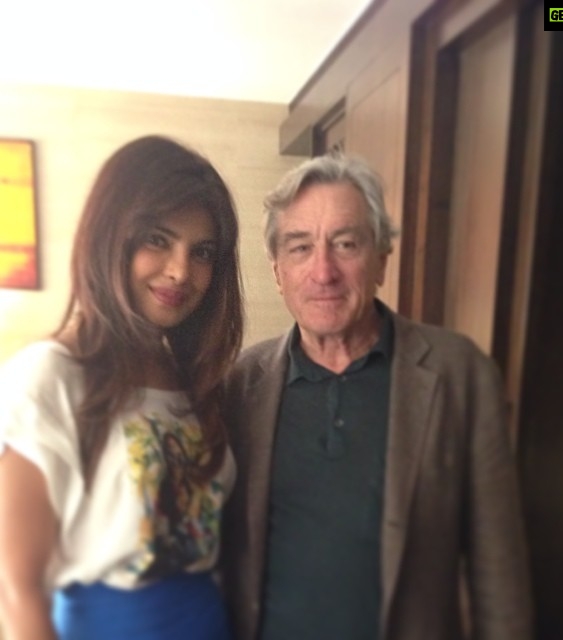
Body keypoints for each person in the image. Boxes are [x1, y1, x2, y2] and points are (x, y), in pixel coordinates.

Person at [222, 153, 533, 640]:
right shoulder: (241, 385)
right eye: (300, 247)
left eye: (345, 244)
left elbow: (499, 572)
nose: (323, 271)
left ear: (382, 259)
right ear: (277, 271)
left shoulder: (460, 374)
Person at [0, 135, 243, 640]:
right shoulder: (50, 377)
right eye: (158, 239)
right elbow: (15, 590)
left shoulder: (193, 381)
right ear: (111, 236)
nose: (181, 270)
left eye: (201, 251)